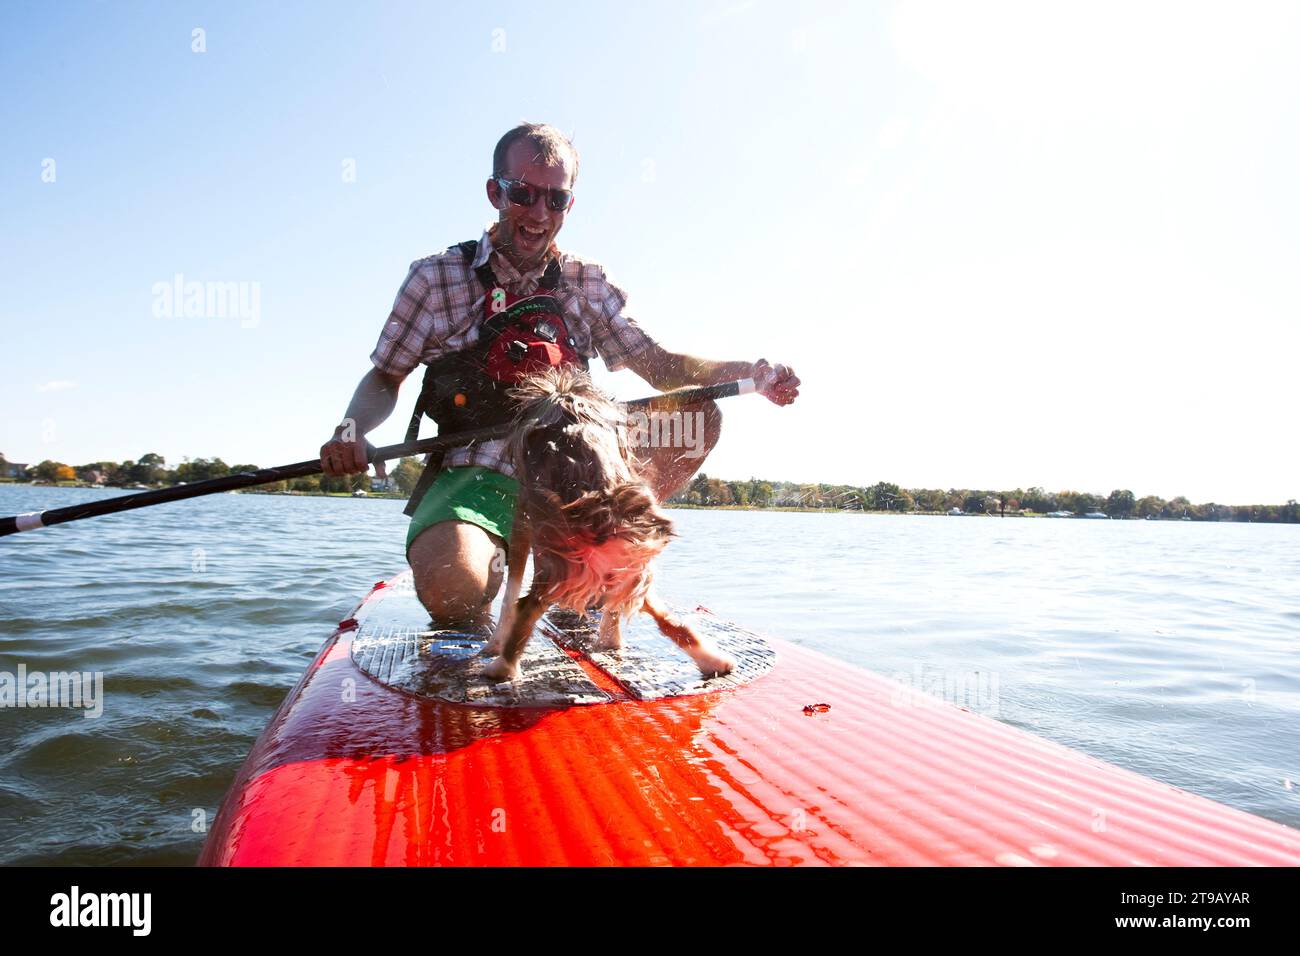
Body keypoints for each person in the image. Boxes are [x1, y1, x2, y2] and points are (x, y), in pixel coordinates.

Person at [320, 123, 799, 630]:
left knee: (697, 416)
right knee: (451, 589)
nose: (539, 214)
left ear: (570, 203)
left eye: (556, 199)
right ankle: (498, 575)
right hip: (477, 471)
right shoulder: (434, 279)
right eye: (523, 194)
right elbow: (385, 376)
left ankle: (605, 547)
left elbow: (660, 366)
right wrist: (351, 430)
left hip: (577, 476)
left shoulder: (586, 281)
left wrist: (750, 372)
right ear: (494, 193)